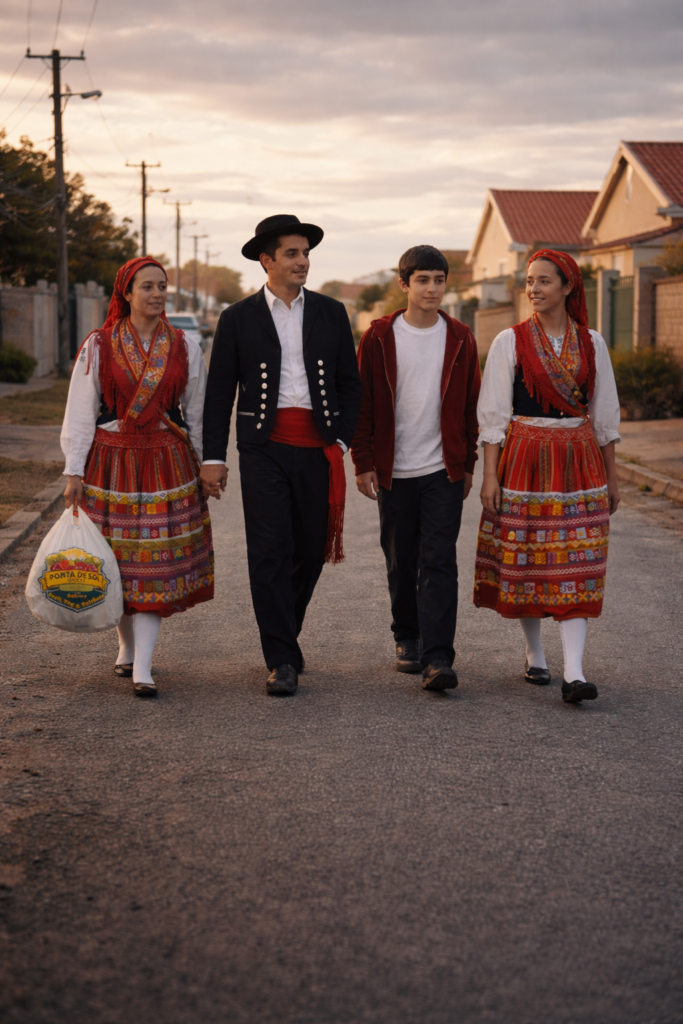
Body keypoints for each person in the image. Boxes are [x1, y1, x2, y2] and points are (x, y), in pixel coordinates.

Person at [200, 215, 361, 696]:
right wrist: (214, 456)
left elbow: (350, 385)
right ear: (266, 260)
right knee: (270, 550)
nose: (302, 261)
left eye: (306, 253)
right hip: (263, 448)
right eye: (292, 253)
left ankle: (283, 634)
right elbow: (219, 393)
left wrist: (343, 441)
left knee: (311, 549)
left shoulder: (332, 313)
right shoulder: (237, 318)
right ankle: (281, 657)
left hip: (318, 446)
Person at [61, 257, 214, 697]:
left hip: (167, 463)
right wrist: (74, 469)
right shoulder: (99, 344)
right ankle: (126, 650)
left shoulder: (184, 346)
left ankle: (143, 667)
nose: (157, 294)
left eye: (162, 286)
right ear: (126, 293)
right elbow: (80, 412)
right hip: (110, 463)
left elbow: (197, 411)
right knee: (119, 562)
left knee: (153, 566)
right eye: (146, 286)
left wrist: (206, 463)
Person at [474, 249, 621, 704]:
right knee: (530, 558)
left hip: (579, 461)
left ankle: (574, 673)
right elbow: (494, 415)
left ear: (568, 286)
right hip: (524, 457)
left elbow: (604, 416)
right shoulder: (510, 341)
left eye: (543, 281)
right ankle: (535, 652)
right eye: (529, 282)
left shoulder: (592, 343)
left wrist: (612, 480)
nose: (533, 289)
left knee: (576, 559)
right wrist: (490, 477)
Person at [351, 245, 480, 691]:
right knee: (401, 558)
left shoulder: (461, 336)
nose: (431, 288)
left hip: (443, 469)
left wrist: (468, 464)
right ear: (404, 284)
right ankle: (407, 635)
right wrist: (363, 461)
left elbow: (468, 406)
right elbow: (363, 402)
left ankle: (439, 656)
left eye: (439, 280)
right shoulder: (379, 336)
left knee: (440, 560)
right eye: (422, 280)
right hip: (394, 469)